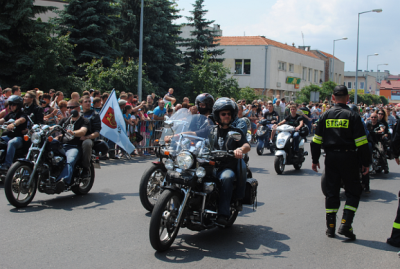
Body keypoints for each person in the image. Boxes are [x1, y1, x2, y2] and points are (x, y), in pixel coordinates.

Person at [311, 85, 370, 240]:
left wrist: (315, 159)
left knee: (331, 192)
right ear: (348, 98)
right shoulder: (353, 116)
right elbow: (362, 142)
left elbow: (316, 141)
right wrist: (366, 162)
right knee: (353, 191)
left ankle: (330, 228)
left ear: (332, 98)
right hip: (349, 157)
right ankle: (345, 224)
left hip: (330, 158)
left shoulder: (324, 115)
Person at [211, 98, 251, 225]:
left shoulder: (235, 132)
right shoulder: (211, 130)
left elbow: (246, 146)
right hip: (210, 165)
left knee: (227, 178)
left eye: (228, 114)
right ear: (218, 115)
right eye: (223, 114)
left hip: (226, 167)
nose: (226, 116)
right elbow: (195, 134)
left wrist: (239, 149)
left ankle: (223, 213)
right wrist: (178, 136)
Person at [54, 100, 89, 192]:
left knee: (70, 159)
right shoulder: (64, 120)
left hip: (74, 146)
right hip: (61, 145)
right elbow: (55, 128)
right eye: (68, 107)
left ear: (78, 108)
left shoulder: (84, 120)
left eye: (71, 107)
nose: (69, 109)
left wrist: (73, 132)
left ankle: (63, 181)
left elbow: (83, 131)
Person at [0, 96, 28, 171]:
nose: (10, 107)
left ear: (18, 105)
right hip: (8, 136)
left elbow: (21, 120)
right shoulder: (10, 114)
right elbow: (2, 120)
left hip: (19, 138)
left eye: (13, 105)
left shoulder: (23, 114)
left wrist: (13, 124)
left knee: (11, 143)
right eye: (10, 104)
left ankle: (7, 165)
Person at [80, 96, 101, 179]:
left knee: (87, 143)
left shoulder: (95, 115)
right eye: (86, 101)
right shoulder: (78, 114)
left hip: (88, 139)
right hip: (76, 138)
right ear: (81, 103)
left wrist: (87, 137)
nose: (88, 103)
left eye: (89, 101)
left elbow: (97, 132)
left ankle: (86, 168)